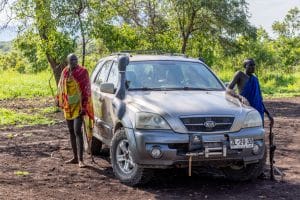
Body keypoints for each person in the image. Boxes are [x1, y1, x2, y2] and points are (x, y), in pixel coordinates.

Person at [56, 54, 94, 168]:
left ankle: (81, 160)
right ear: (67, 60)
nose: (74, 61)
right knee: (71, 131)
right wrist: (58, 99)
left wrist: (84, 106)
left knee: (78, 130)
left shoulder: (83, 71)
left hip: (79, 105)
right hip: (68, 105)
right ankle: (75, 157)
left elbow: (87, 89)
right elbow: (60, 86)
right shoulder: (65, 72)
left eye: (75, 59)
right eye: (72, 59)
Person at [226, 58, 274, 127]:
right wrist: (239, 97)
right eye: (250, 65)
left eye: (254, 65)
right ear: (245, 66)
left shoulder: (255, 79)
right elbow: (228, 89)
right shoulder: (240, 74)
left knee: (258, 134)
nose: (253, 67)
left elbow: (259, 100)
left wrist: (268, 114)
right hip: (246, 110)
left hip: (258, 112)